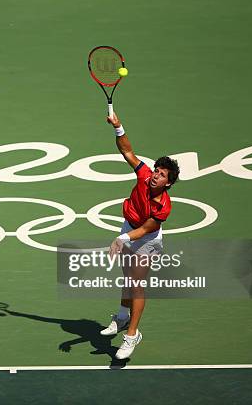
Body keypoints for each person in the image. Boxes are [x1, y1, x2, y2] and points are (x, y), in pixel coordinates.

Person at [101, 111, 180, 360]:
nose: (156, 174)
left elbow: (146, 229)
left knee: (136, 284)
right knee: (127, 276)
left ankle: (132, 335)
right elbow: (127, 152)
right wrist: (118, 127)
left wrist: (122, 239)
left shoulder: (163, 205)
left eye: (162, 174)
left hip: (146, 241)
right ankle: (122, 317)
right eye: (157, 170)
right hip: (129, 227)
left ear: (168, 183)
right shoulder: (144, 176)